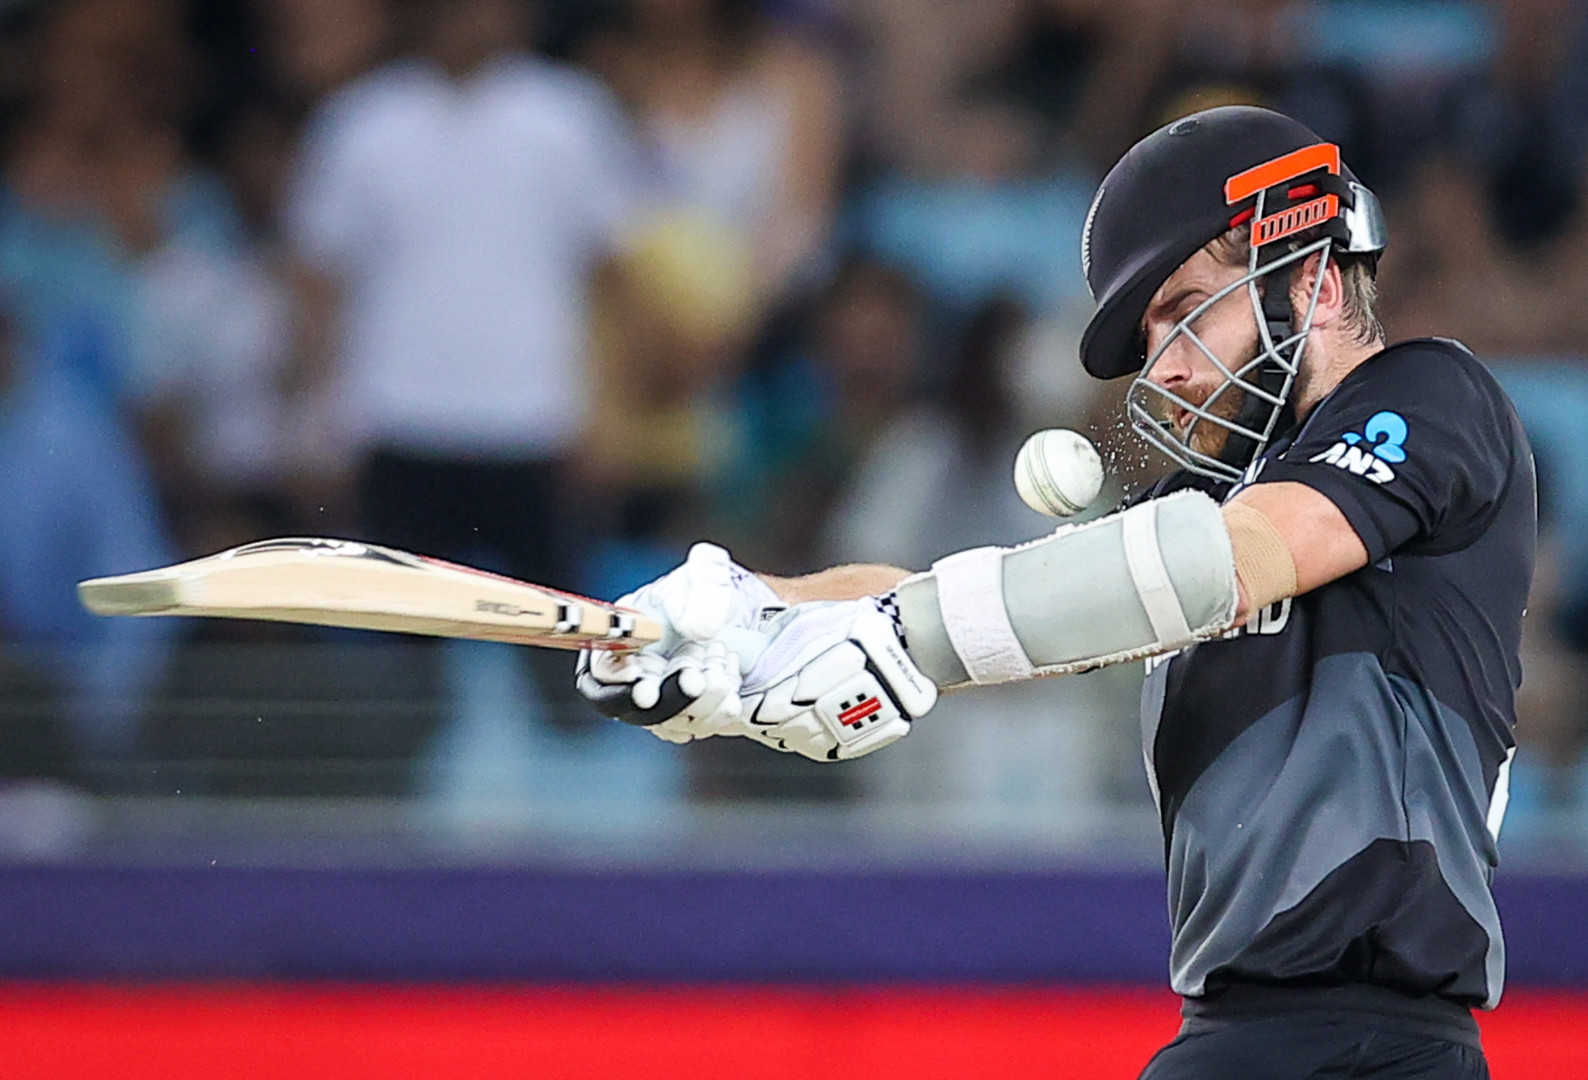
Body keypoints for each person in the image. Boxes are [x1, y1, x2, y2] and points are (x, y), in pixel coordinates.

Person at [578, 106, 1534, 1079]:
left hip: (1380, 1044)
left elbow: (1241, 555)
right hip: (1235, 1035)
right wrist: (740, 617)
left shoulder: (1431, 396)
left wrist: (906, 637)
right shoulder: (1200, 507)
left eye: (1187, 308)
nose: (1163, 370)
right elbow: (949, 593)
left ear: (1314, 279)